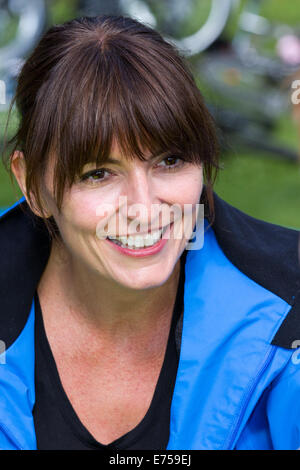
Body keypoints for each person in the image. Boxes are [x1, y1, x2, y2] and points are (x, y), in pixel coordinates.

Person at [0, 15, 300, 451]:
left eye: (170, 161)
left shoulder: (290, 304)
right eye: (98, 173)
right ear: (32, 185)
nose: (144, 209)